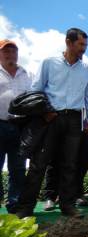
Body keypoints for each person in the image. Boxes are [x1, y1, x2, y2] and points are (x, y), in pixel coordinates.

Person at [15, 28, 88, 218]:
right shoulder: (49, 63)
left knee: (70, 164)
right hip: (51, 117)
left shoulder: (87, 70)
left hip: (74, 120)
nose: (84, 49)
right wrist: (44, 112)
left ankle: (67, 205)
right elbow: (36, 89)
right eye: (81, 45)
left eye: (85, 45)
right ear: (68, 42)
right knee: (39, 163)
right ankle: (25, 207)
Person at [0, 39, 31, 213]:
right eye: (6, 51)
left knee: (18, 167)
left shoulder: (25, 74)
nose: (10, 55)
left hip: (20, 126)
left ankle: (14, 204)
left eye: (13, 52)